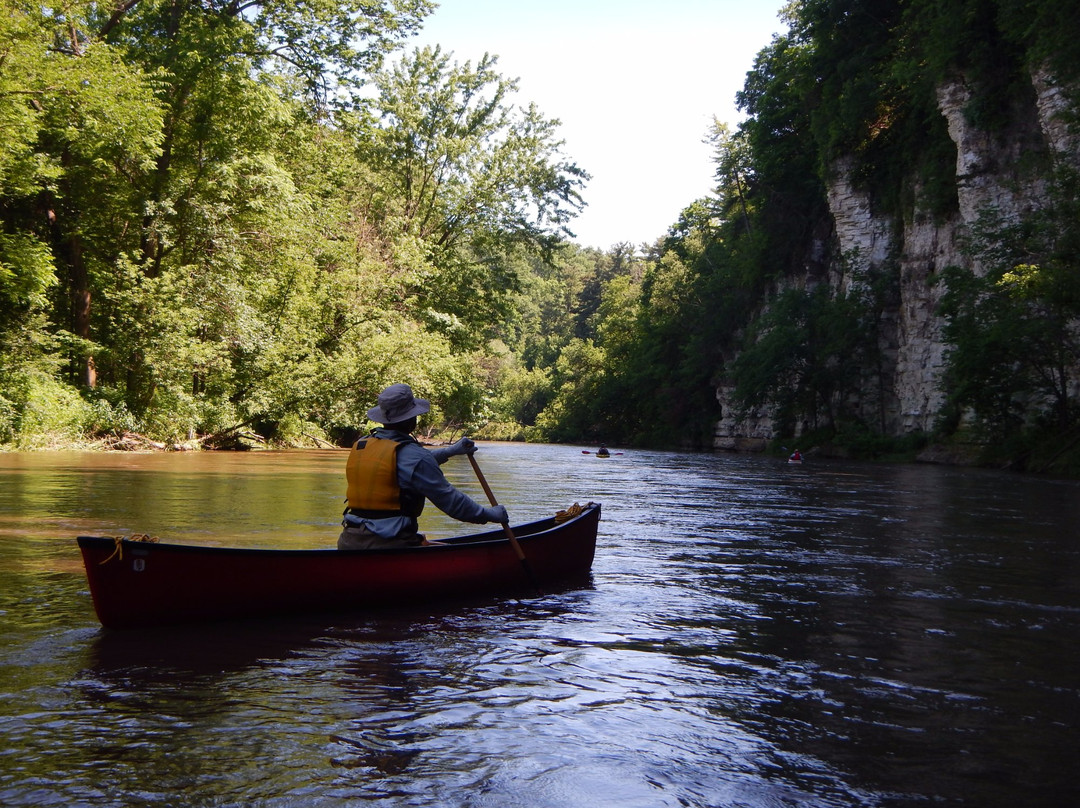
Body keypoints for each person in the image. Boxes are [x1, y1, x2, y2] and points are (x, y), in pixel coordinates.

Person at [338, 383, 509, 550]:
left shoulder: (362, 444)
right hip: (389, 545)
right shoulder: (415, 457)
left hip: (348, 542)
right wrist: (489, 514)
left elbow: (405, 466)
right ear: (411, 419)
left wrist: (450, 451)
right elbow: (451, 501)